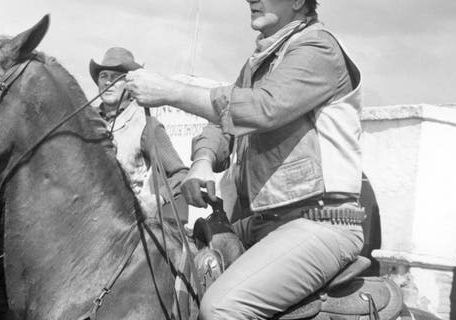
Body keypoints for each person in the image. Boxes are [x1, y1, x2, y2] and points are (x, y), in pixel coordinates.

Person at [125, 0, 366, 318]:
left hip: (321, 224)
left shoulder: (318, 47)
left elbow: (260, 108)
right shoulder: (265, 60)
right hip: (268, 224)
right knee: (173, 263)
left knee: (221, 307)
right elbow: (223, 124)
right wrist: (203, 161)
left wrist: (171, 91)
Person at [89, 47, 189, 223]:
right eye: (104, 76)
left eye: (115, 77)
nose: (107, 83)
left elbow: (180, 174)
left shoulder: (145, 123)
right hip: (86, 218)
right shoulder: (86, 120)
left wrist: (156, 201)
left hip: (126, 225)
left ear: (129, 83)